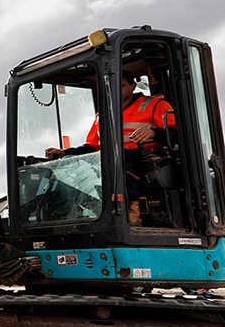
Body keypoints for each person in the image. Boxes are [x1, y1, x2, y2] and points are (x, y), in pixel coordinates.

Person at [44, 72, 176, 225]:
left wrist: (154, 132)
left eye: (122, 86)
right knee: (69, 165)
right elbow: (93, 146)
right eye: (112, 87)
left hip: (147, 158)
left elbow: (177, 134)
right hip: (115, 161)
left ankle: (130, 212)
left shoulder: (154, 105)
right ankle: (72, 212)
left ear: (133, 86)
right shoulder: (103, 116)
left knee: (119, 158)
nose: (117, 91)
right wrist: (66, 153)